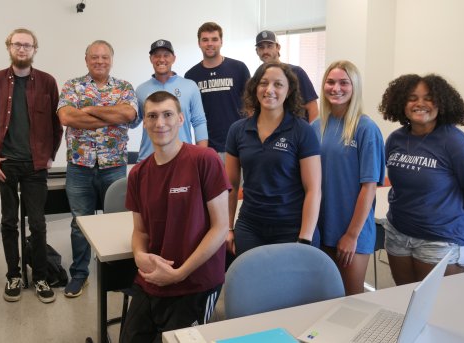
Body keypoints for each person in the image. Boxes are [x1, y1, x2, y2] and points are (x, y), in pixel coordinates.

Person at [120, 91, 230, 343]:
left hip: (195, 282)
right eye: (152, 116)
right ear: (144, 123)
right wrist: (139, 255)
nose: (160, 123)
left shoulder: (205, 159)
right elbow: (141, 231)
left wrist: (180, 273)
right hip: (153, 279)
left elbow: (221, 227)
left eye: (167, 114)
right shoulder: (138, 174)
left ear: (181, 119)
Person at [378, 74, 464, 285]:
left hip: (441, 239)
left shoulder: (456, 144)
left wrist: (455, 222)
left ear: (442, 102)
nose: (420, 104)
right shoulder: (396, 139)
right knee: (405, 299)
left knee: (439, 308)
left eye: (429, 98)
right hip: (398, 233)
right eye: (412, 98)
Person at [0, 28, 63, 303]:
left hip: (35, 165)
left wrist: (50, 155)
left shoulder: (47, 82)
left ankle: (40, 277)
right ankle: (13, 275)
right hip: (6, 163)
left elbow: (56, 124)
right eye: (17, 44)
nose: (22, 49)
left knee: (38, 223)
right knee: (8, 222)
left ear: (34, 50)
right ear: (9, 47)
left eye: (27, 45)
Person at [57, 40, 138, 297]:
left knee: (118, 220)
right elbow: (67, 117)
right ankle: (80, 274)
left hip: (113, 165)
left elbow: (127, 115)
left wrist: (89, 110)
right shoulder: (72, 85)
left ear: (111, 59)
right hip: (79, 165)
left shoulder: (124, 87)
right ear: (86, 59)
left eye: (104, 57)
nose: (99, 61)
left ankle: (120, 273)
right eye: (94, 57)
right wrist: (107, 115)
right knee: (79, 222)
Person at [225, 62, 321, 257]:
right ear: (255, 88)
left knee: (289, 287)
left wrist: (305, 238)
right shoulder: (237, 130)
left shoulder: (302, 130)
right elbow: (231, 186)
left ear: (289, 91)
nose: (269, 90)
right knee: (253, 285)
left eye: (278, 84)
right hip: (250, 226)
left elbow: (313, 190)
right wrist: (228, 228)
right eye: (263, 83)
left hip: (291, 227)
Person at [311, 60, 385, 295]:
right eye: (330, 82)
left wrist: (351, 235)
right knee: (323, 299)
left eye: (344, 83)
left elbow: (369, 187)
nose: (336, 88)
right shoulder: (316, 126)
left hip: (352, 230)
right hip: (321, 229)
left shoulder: (365, 128)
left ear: (355, 87)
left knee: (352, 301)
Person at [134, 39, 208, 162]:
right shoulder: (141, 90)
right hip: (148, 160)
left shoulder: (190, 86)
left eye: (166, 55)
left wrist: (202, 157)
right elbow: (133, 122)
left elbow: (199, 122)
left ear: (174, 58)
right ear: (151, 59)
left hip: (183, 159)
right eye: (157, 55)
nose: (161, 59)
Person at [185, 22, 250, 160]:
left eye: (214, 39)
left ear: (221, 42)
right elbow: (190, 115)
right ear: (199, 43)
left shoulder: (239, 68)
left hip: (239, 144)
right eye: (205, 39)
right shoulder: (191, 76)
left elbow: (252, 105)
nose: (210, 43)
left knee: (239, 183)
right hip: (208, 147)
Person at [255, 30, 319, 122]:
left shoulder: (296, 72)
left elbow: (312, 107)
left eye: (269, 46)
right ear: (257, 51)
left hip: (297, 132)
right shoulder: (258, 75)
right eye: (261, 47)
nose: (265, 51)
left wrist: (311, 134)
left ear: (278, 47)